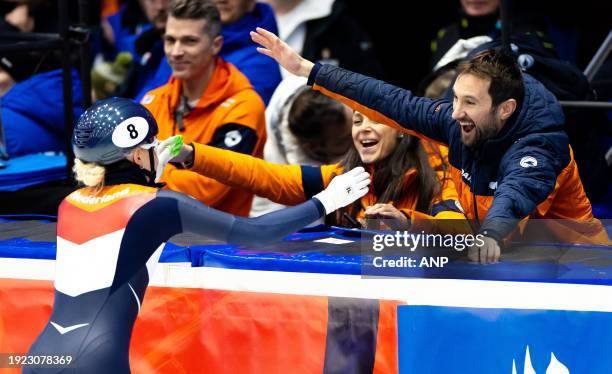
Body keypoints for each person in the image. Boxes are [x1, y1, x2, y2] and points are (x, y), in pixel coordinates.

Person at [24, 97, 370, 373]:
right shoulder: (158, 205)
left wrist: (154, 171)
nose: (157, 150)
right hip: (96, 360)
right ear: (134, 152)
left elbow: (116, 210)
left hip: (38, 356)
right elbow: (256, 233)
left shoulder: (68, 204)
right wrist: (325, 201)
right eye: (151, 144)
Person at [250, 27, 610, 263]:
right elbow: (389, 100)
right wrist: (309, 71)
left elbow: (513, 195)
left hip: (577, 273)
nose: (455, 114)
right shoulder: (461, 122)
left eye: (469, 103)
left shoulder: (541, 146)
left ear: (505, 109)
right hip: (505, 262)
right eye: (454, 99)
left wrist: (489, 235)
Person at [157, 110, 466, 230]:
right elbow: (260, 175)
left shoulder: (437, 175)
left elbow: (459, 234)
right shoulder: (338, 178)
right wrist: (190, 154)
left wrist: (408, 223)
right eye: (357, 121)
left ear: (402, 130)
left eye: (374, 120)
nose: (363, 130)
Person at [141, 0, 266, 216]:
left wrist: (141, 172)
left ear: (216, 45)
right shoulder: (154, 100)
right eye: (170, 40)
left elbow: (207, 190)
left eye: (189, 41)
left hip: (219, 242)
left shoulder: (244, 106)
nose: (176, 51)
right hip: (157, 232)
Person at [136, 0, 283, 104]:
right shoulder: (177, 45)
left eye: (190, 41)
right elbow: (145, 102)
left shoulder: (261, 60)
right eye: (171, 40)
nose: (221, 0)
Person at [250, 76, 353, 216]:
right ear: (313, 148)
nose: (358, 135)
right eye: (344, 140)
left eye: (356, 119)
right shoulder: (280, 187)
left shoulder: (312, 80)